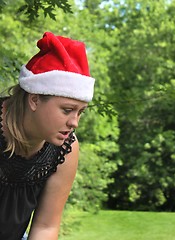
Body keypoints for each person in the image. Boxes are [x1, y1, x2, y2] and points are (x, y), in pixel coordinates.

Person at [0, 32, 95, 240]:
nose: (74, 122)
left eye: (80, 112)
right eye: (67, 110)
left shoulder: (66, 149)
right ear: (34, 100)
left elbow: (46, 227)